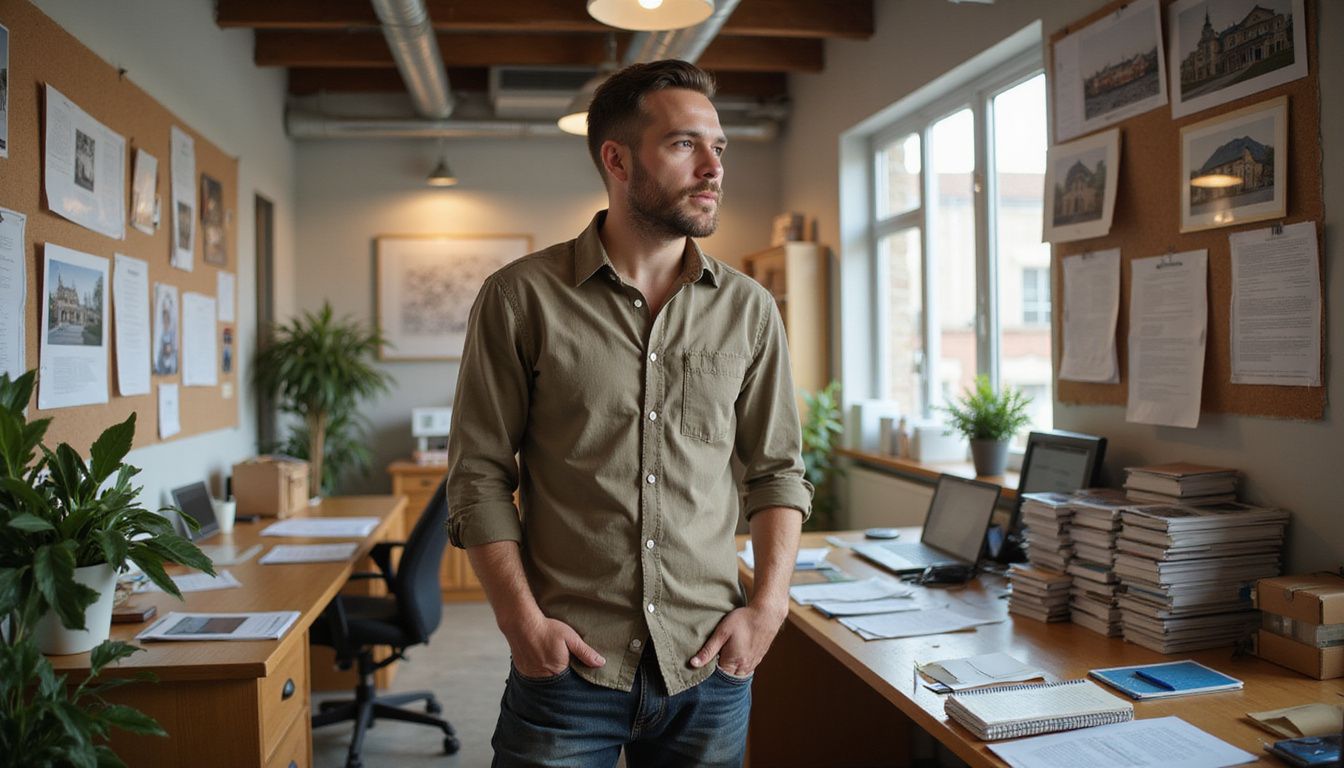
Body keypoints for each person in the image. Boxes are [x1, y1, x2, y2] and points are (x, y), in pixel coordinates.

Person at [446, 59, 811, 768]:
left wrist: (767, 610)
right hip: (567, 665)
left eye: (719, 147)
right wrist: (520, 623)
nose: (712, 167)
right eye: (684, 145)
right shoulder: (521, 298)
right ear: (617, 159)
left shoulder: (749, 310)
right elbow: (480, 476)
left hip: (708, 666)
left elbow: (778, 473)